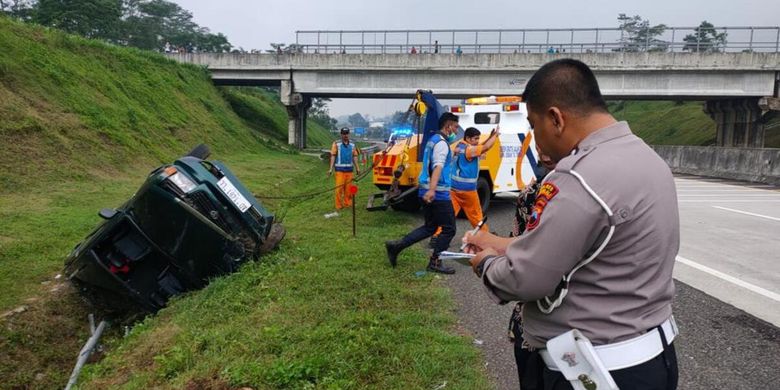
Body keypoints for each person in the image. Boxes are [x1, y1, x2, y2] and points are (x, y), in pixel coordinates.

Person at [464, 59, 680, 390]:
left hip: (596, 369)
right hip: (653, 356)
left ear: (556, 118)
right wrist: (495, 241)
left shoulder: (579, 176)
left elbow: (524, 280)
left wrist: (485, 263)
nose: (536, 139)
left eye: (534, 126)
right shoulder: (647, 159)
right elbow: (574, 247)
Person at [385, 113, 460, 274]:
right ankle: (435, 262)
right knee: (449, 229)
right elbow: (438, 167)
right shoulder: (441, 144)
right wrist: (433, 190)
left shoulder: (433, 141)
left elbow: (438, 160)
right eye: (455, 126)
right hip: (437, 194)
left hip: (425, 190)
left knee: (430, 227)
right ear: (447, 126)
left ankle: (396, 246)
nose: (456, 129)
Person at [450, 126, 500, 231]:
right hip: (467, 190)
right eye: (476, 138)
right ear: (468, 138)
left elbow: (479, 146)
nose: (478, 141)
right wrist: (495, 136)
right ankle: (484, 236)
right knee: (477, 216)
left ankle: (437, 236)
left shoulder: (460, 146)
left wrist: (490, 137)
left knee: (449, 216)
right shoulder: (469, 150)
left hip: (454, 188)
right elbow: (485, 147)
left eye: (478, 138)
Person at [328, 127, 360, 210]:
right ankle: (338, 205)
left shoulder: (352, 144)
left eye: (347, 133)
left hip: (349, 170)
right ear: (341, 134)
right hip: (339, 170)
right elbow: (333, 156)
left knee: (348, 189)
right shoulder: (336, 143)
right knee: (339, 189)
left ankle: (348, 203)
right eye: (344, 134)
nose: (345, 135)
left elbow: (355, 156)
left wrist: (357, 168)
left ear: (349, 134)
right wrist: (331, 169)